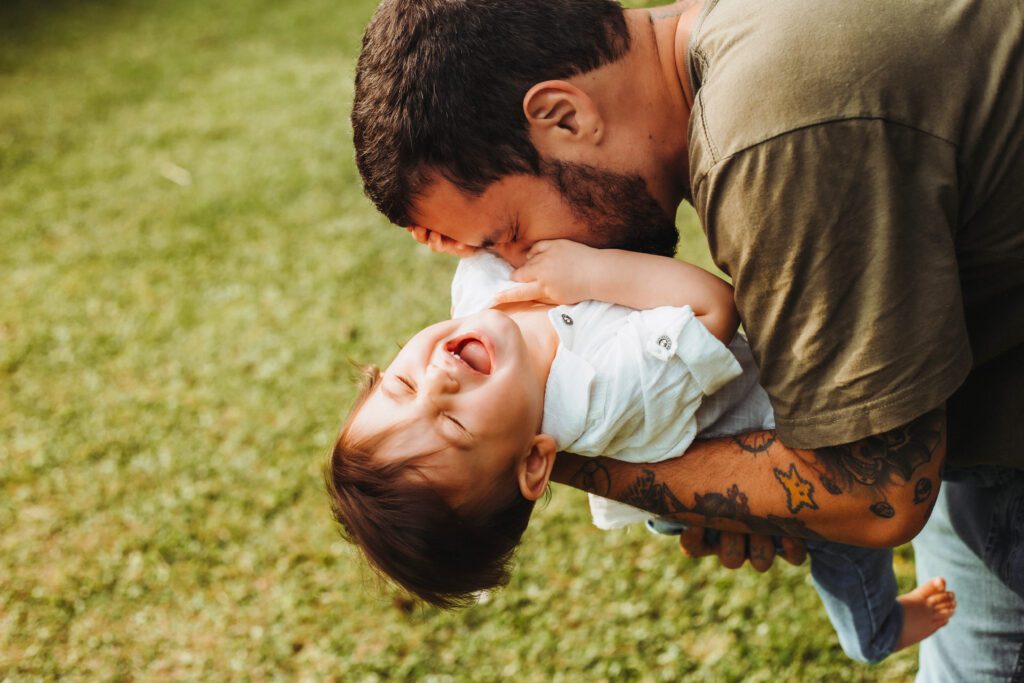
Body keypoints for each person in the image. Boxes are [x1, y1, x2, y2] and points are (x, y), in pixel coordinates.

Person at [350, 0, 1024, 678]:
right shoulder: (742, 38)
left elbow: (880, 494)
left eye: (508, 233)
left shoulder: (775, 134)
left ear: (565, 115)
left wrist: (548, 456)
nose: (520, 259)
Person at [327, 242, 956, 662]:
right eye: (453, 425)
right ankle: (876, 631)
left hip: (683, 452)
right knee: (840, 544)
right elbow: (713, 308)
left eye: (403, 385)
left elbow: (487, 249)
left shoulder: (477, 306)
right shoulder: (607, 395)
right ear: (534, 462)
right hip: (776, 441)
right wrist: (592, 272)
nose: (436, 380)